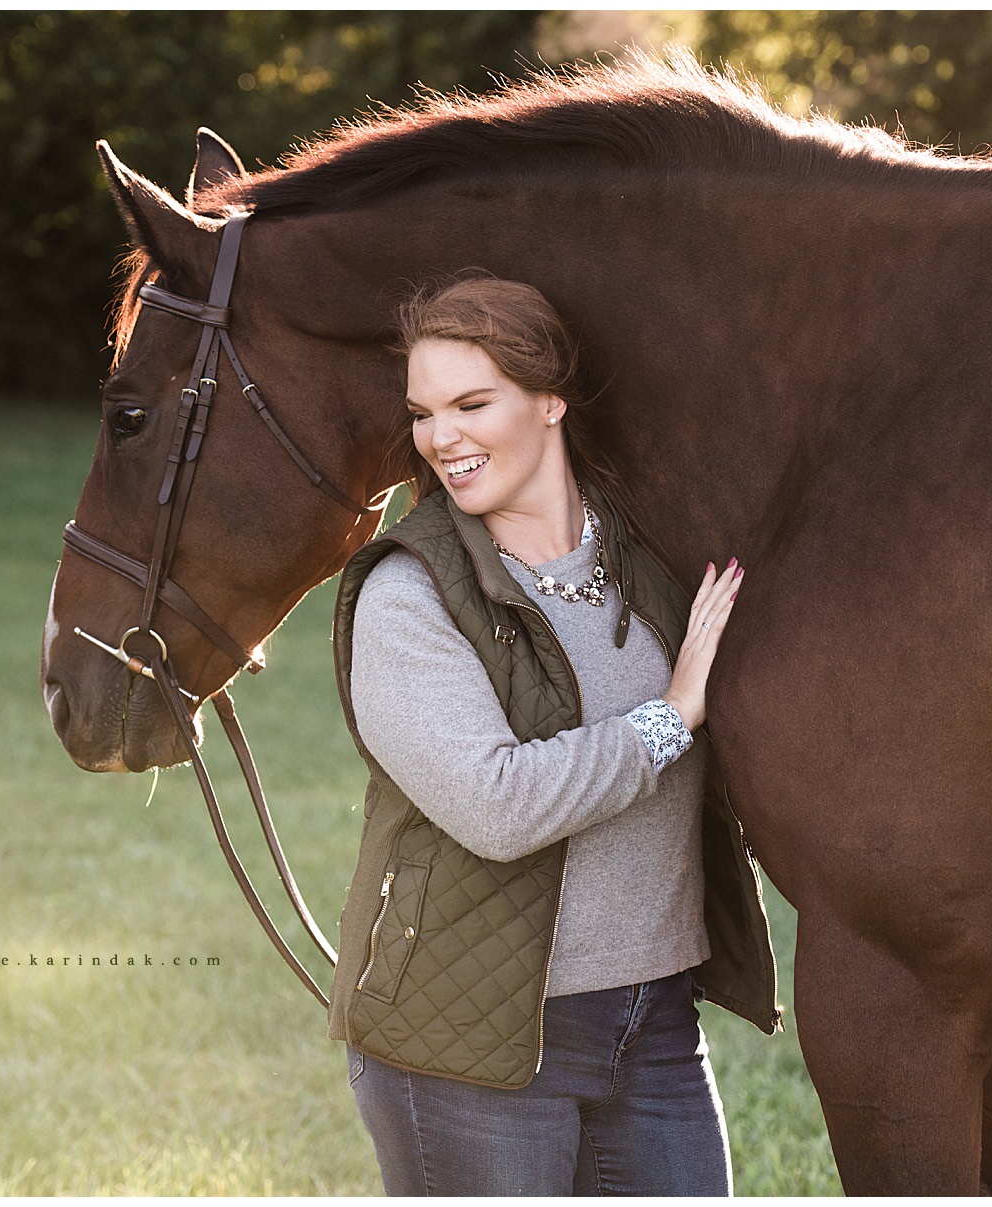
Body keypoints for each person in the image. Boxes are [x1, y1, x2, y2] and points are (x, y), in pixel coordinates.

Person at [326, 275, 780, 1196]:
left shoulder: (649, 557)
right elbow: (498, 805)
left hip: (654, 1023)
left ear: (550, 400)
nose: (440, 437)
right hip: (468, 1041)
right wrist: (668, 718)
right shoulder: (408, 595)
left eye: (471, 404)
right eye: (423, 413)